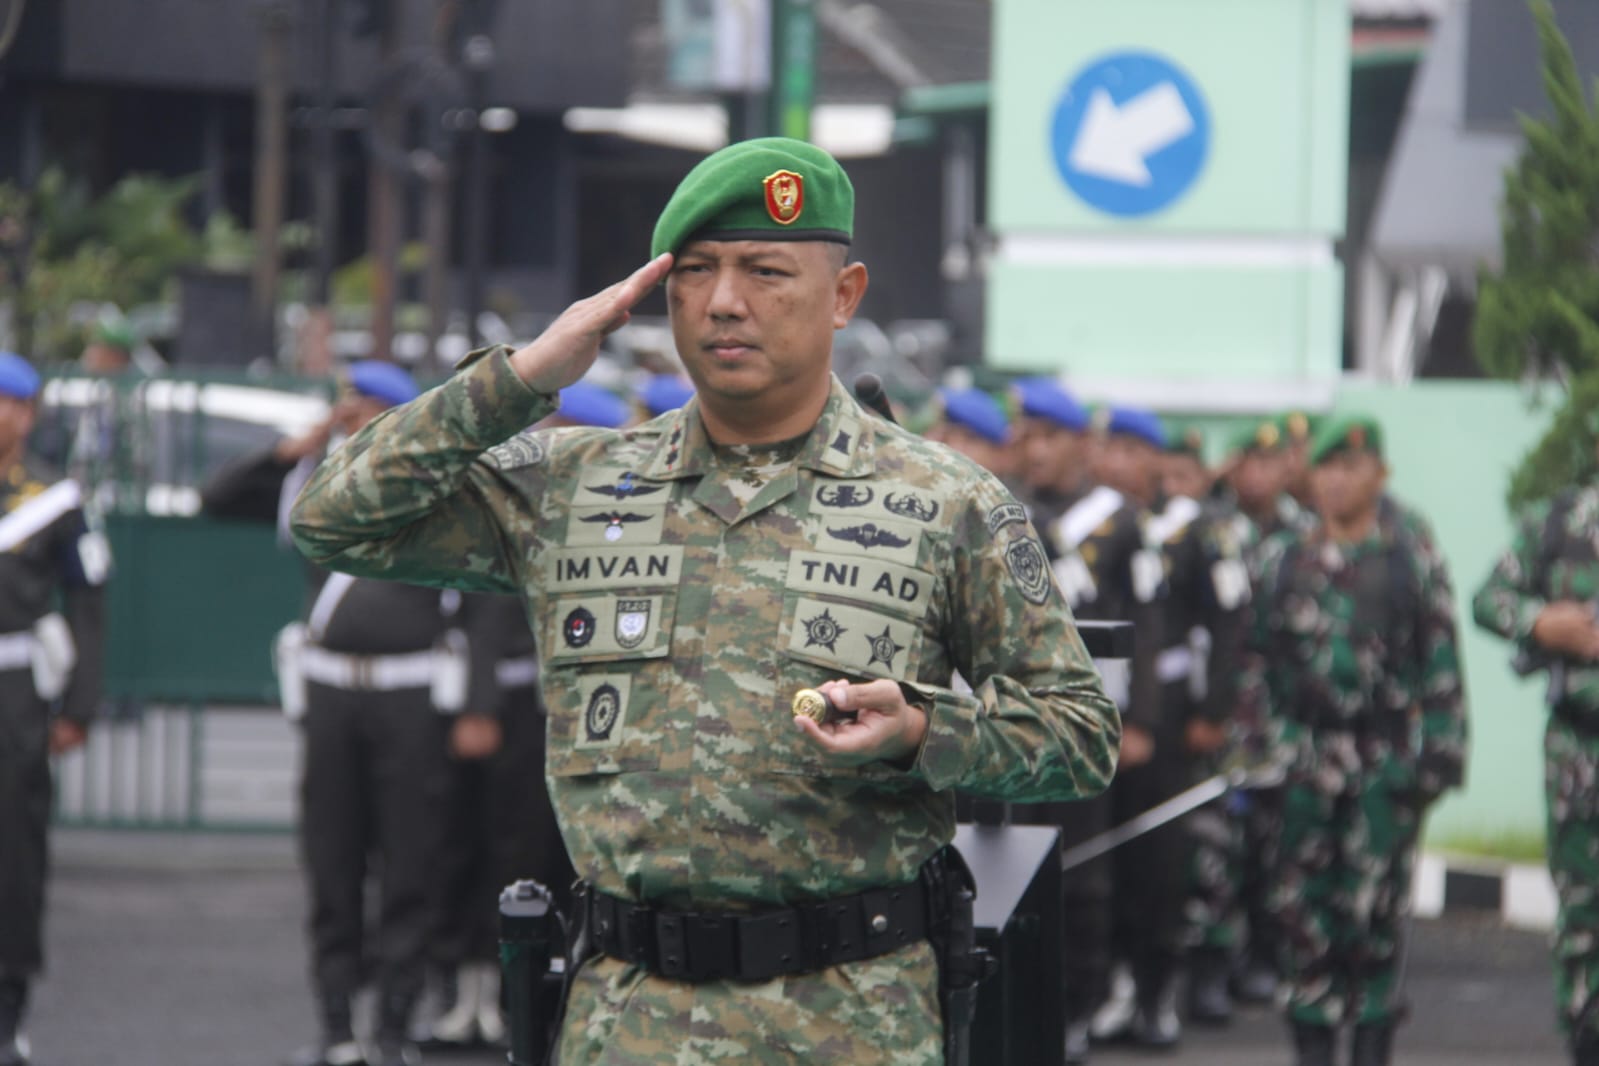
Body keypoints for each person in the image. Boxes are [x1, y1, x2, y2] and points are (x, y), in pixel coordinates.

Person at [290, 136, 1120, 1064]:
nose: (725, 301)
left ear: (843, 295)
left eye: (766, 270)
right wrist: (520, 379)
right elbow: (331, 520)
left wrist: (928, 733)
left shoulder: (946, 501)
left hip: (851, 1018)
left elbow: (1078, 737)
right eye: (694, 273)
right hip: (627, 1015)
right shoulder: (572, 486)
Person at [206, 361, 472, 1066]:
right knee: (332, 863)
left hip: (411, 694)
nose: (346, 415)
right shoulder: (316, 483)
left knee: (409, 864)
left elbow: (487, 601)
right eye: (345, 405)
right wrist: (288, 450)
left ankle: (390, 1029)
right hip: (330, 694)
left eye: (362, 407)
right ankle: (335, 1029)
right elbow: (217, 497)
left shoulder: (436, 489)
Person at [1237, 415, 1467, 1066]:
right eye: (1325, 467)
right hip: (1303, 764)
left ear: (1378, 474)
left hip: (1381, 765)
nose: (1335, 481)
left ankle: (1370, 1048)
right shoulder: (1283, 556)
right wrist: (1257, 748)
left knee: (1374, 924)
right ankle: (1311, 1049)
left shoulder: (1408, 558)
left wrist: (1436, 761)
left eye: (1349, 468)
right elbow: (1253, 660)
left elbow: (1439, 662)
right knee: (1301, 924)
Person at [1472, 428, 1599, 1066]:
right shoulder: (1562, 522)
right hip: (1581, 750)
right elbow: (1489, 599)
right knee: (1583, 910)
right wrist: (1541, 622)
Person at [0, 351, 107, 1066]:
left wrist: (79, 704)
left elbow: (92, 600)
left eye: (11, 403)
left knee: (13, 854)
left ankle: (8, 1015)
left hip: (13, 693)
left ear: (29, 414)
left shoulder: (53, 499)